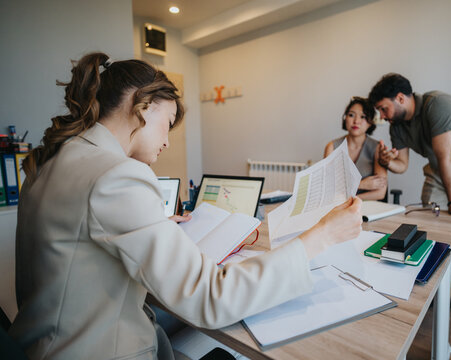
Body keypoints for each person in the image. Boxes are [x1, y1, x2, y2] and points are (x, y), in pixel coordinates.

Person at [9, 52, 364, 359]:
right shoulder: (117, 175)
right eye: (168, 124)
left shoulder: (51, 163)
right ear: (142, 106)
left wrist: (159, 229)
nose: (166, 141)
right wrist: (322, 236)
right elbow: (212, 297)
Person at [368, 73, 451, 279]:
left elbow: (446, 157)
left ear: (400, 98)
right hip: (438, 170)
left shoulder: (438, 104)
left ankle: (440, 294)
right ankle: (421, 280)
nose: (381, 116)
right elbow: (402, 165)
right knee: (427, 227)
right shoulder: (397, 125)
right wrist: (386, 160)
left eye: (383, 108)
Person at [324, 96, 387, 201]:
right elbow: (327, 187)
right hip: (338, 207)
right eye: (351, 115)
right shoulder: (332, 147)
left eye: (363, 117)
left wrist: (349, 199)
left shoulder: (377, 148)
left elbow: (380, 193)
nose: (356, 121)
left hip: (367, 207)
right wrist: (360, 184)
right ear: (345, 118)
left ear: (370, 122)